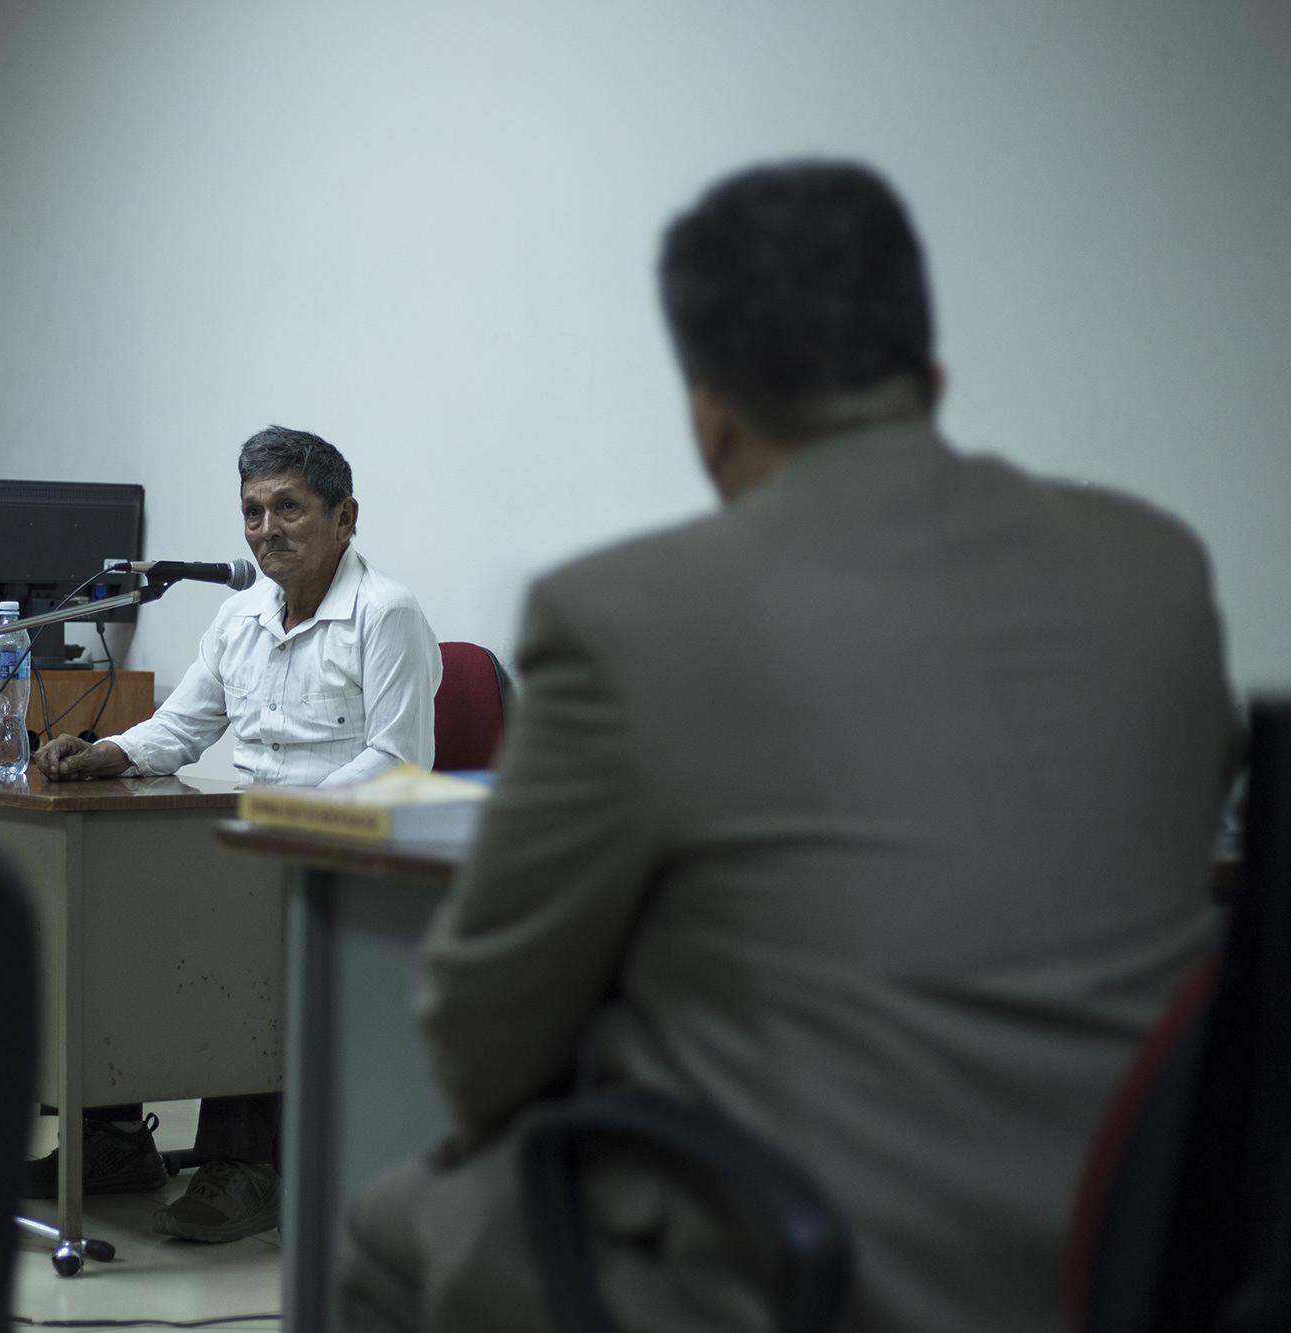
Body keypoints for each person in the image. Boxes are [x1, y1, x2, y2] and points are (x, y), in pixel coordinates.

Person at [337, 161, 1241, 1333]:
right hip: (1148, 1247)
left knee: (386, 1227)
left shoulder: (622, 614)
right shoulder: (1153, 567)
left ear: (707, 412)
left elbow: (480, 1037)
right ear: (929, 377)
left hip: (802, 1266)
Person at [31, 425, 441, 1242]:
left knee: (237, 920)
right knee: (112, 905)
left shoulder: (386, 614)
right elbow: (182, 727)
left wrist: (280, 821)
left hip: (346, 852)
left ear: (344, 516)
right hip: (246, 837)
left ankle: (246, 1165)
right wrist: (107, 750)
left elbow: (397, 760)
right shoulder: (241, 614)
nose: (265, 530)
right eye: (252, 511)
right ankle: (111, 1138)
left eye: (287, 507)